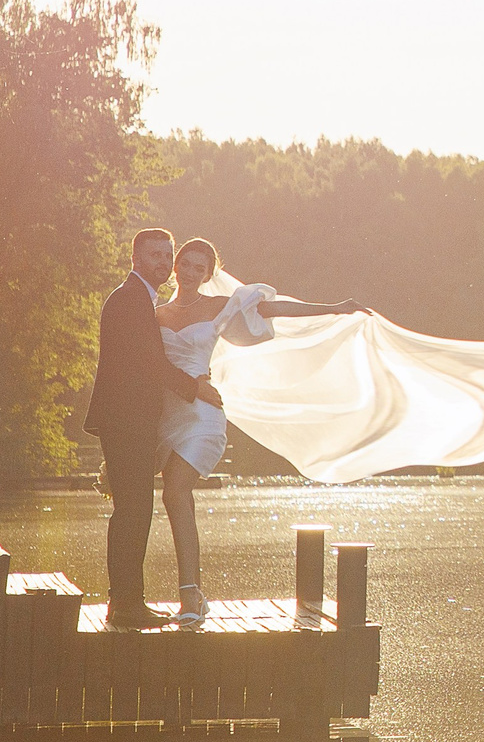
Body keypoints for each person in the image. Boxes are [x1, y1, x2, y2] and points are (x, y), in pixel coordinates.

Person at [152, 237, 368, 620]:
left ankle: (190, 596)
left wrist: (332, 309)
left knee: (175, 492)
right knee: (172, 499)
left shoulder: (219, 306)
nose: (189, 271)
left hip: (203, 414)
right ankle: (189, 592)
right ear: (175, 266)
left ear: (207, 275)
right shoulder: (155, 312)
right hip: (167, 414)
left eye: (198, 268)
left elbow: (271, 308)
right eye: (184, 263)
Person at [83, 228, 223, 629]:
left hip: (136, 420)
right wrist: (193, 387)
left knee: (133, 511)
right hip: (126, 420)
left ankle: (127, 602)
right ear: (136, 259)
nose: (163, 262)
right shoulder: (129, 300)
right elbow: (149, 363)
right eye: (155, 255)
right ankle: (126, 606)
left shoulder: (143, 299)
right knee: (132, 512)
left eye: (167, 255)